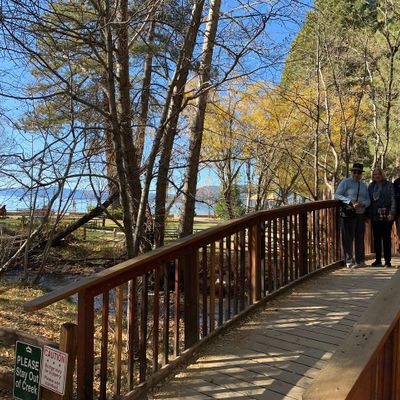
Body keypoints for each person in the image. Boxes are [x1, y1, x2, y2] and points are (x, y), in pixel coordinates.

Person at [335, 163, 370, 268]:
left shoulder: (363, 185)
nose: (356, 174)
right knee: (348, 238)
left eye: (359, 172)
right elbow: (337, 194)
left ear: (361, 174)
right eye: (354, 172)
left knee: (360, 238)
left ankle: (360, 261)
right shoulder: (345, 182)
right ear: (352, 172)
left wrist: (363, 204)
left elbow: (368, 200)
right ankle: (349, 261)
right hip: (349, 214)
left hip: (360, 214)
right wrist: (350, 202)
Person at [368, 168, 396, 267]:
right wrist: (368, 215)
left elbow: (393, 199)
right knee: (376, 239)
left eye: (378, 174)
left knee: (386, 238)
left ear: (382, 175)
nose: (377, 176)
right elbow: (368, 200)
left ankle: (387, 261)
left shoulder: (389, 185)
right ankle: (378, 260)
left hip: (386, 214)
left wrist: (392, 213)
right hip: (375, 215)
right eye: (375, 174)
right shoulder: (371, 186)